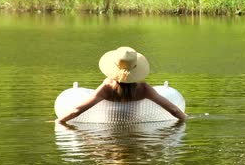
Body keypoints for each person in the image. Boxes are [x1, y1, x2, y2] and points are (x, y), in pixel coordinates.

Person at [55, 46, 187, 125]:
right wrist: (185, 119)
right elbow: (174, 110)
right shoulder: (144, 89)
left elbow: (77, 110)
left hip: (106, 125)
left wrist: (59, 122)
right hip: (136, 124)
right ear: (136, 69)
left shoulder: (107, 87)